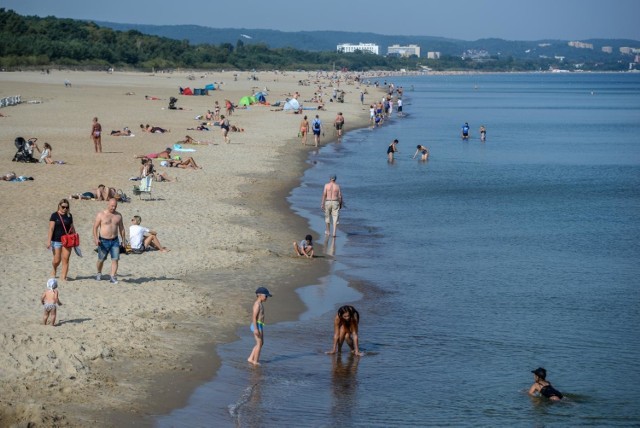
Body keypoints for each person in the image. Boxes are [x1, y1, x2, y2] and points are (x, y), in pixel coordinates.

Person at [93, 198, 126, 284]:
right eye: (112, 206)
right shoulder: (101, 214)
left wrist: (123, 240)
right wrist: (96, 238)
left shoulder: (118, 215)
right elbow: (95, 227)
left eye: (115, 206)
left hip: (115, 240)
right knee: (101, 259)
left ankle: (112, 276)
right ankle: (99, 272)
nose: (113, 208)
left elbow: (122, 228)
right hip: (103, 241)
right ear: (108, 204)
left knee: (115, 259)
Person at [47, 199, 74, 281]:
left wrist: (75, 238)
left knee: (66, 258)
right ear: (59, 206)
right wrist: (48, 241)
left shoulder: (69, 216)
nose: (65, 209)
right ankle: (54, 269)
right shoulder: (54, 215)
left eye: (67, 207)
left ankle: (63, 276)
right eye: (63, 207)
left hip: (67, 240)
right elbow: (51, 228)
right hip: (56, 240)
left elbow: (72, 227)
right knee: (57, 260)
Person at [248, 286, 272, 365]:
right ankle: (255, 361)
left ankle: (251, 358)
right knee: (259, 343)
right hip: (256, 325)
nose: (266, 298)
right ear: (259, 295)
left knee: (261, 343)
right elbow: (254, 317)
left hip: (260, 325)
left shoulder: (260, 304)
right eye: (266, 296)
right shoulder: (257, 304)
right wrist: (256, 329)